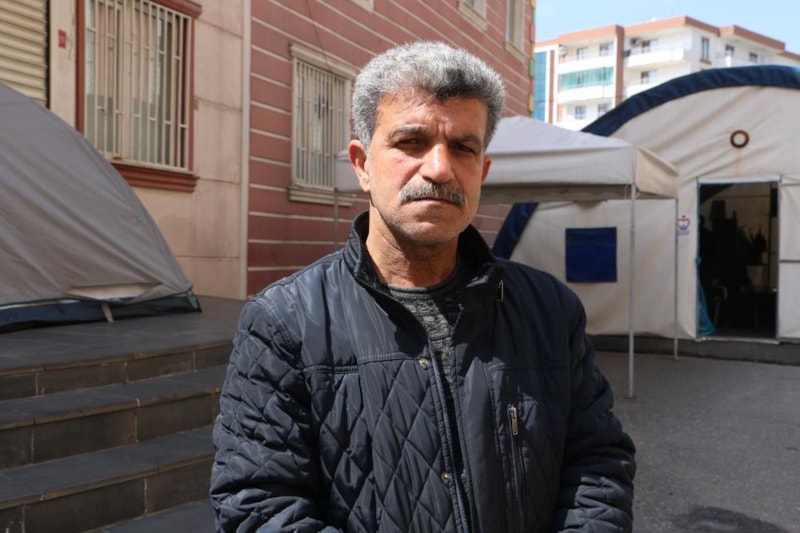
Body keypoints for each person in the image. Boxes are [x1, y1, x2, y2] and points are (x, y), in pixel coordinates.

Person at [210, 41, 636, 532]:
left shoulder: (548, 309)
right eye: (411, 142)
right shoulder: (285, 322)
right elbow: (259, 506)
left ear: (482, 171)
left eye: (463, 147)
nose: (439, 168)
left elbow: (597, 464)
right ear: (362, 164)